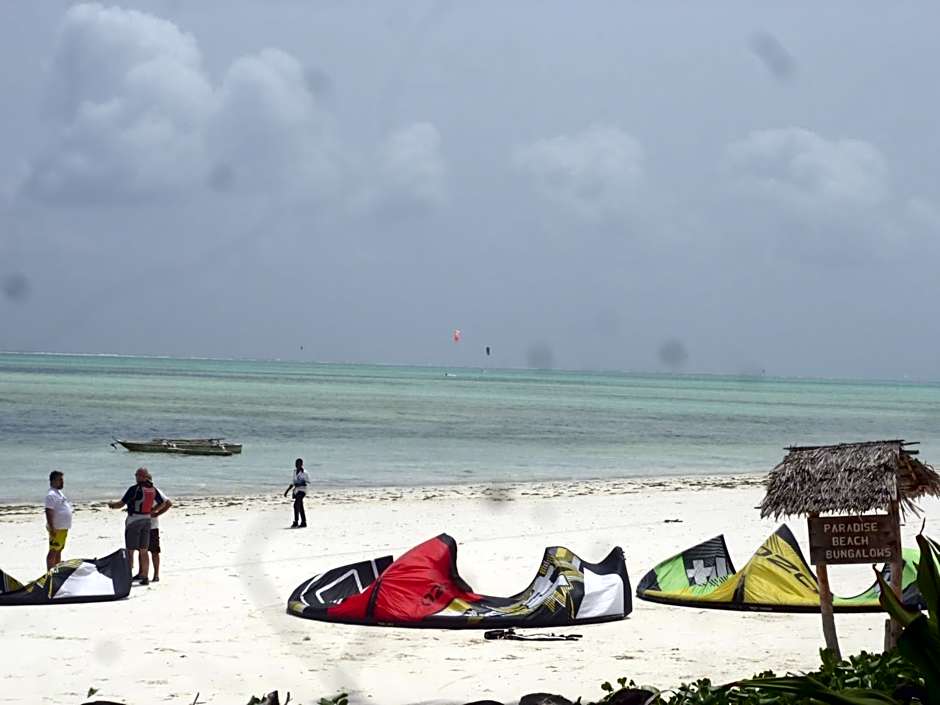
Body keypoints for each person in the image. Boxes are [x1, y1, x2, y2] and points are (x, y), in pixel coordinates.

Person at [108, 467, 168, 586]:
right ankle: (145, 576)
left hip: (134, 520)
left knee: (130, 550)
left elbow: (121, 504)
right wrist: (153, 511)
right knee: (143, 550)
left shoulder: (134, 489)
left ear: (141, 477)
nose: (136, 477)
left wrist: (111, 505)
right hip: (147, 520)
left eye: (137, 475)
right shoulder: (153, 489)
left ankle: (128, 576)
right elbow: (163, 503)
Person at [44, 470, 73, 570]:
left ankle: (57, 570)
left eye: (62, 480)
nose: (62, 482)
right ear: (53, 481)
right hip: (56, 528)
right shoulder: (51, 495)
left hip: (63, 527)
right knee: (53, 550)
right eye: (60, 480)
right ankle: (50, 572)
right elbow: (48, 511)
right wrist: (52, 527)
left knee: (59, 549)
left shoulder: (58, 493)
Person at [147, 472, 172, 583]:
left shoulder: (154, 491)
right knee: (142, 551)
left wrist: (156, 513)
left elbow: (168, 503)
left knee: (154, 551)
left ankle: (156, 574)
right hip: (142, 523)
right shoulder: (139, 491)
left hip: (152, 526)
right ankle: (142, 573)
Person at [283, 458, 309, 528]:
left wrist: (299, 484)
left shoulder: (304, 473)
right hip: (296, 491)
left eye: (299, 464)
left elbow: (307, 483)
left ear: (302, 464)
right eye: (296, 463)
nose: (297, 465)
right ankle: (302, 522)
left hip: (303, 490)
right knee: (299, 506)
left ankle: (297, 521)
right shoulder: (294, 472)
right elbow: (293, 483)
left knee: (297, 504)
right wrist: (287, 491)